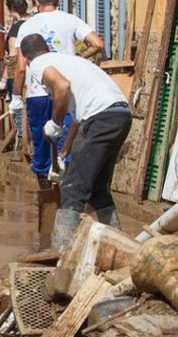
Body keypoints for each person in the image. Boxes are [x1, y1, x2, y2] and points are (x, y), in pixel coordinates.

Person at [19, 34, 132, 250]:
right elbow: (78, 120)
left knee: (72, 189)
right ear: (47, 47)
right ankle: (120, 247)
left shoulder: (39, 64)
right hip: (120, 115)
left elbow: (62, 87)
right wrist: (64, 154)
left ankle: (60, 252)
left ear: (27, 58)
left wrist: (54, 122)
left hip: (100, 118)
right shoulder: (70, 61)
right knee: (98, 190)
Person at [12, 0, 104, 187]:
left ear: (36, 2)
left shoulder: (27, 26)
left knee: (42, 146)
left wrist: (16, 97)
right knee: (65, 145)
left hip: (38, 93)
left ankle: (46, 192)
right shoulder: (70, 20)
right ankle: (67, 192)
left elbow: (20, 68)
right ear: (58, 1)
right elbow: (98, 43)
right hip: (66, 92)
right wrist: (79, 57)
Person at [2, 0, 30, 143]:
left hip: (18, 74)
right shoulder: (32, 22)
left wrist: (4, 79)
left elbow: (13, 58)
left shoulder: (16, 29)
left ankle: (22, 142)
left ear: (12, 9)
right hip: (33, 72)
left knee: (19, 111)